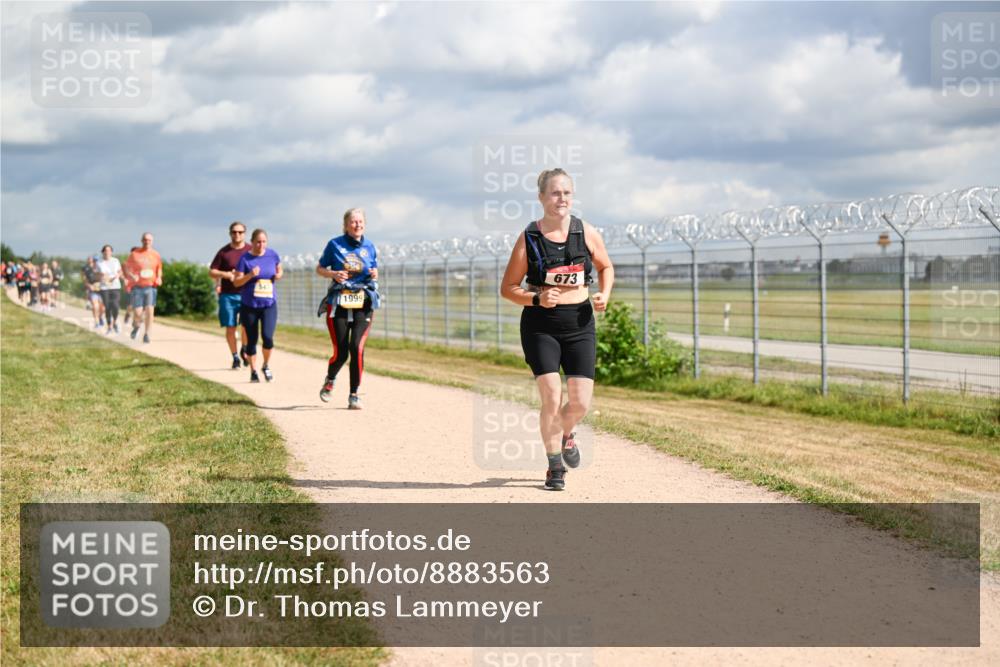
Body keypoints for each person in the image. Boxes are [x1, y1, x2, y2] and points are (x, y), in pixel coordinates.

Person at [500, 168, 614, 491]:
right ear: (541, 198)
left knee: (580, 403)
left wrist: (604, 293)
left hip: (579, 322)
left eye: (566, 192)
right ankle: (554, 468)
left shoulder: (585, 232)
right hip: (541, 326)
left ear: (572, 196)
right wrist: (537, 298)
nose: (560, 198)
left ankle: (566, 434)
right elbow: (507, 288)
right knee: (552, 397)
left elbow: (606, 266)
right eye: (554, 193)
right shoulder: (530, 238)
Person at [315, 208, 380, 409]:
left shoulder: (370, 246)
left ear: (364, 224)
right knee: (342, 352)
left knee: (357, 348)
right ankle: (330, 379)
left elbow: (374, 269)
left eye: (360, 221)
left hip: (363, 302)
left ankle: (354, 394)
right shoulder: (334, 245)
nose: (357, 224)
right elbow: (319, 269)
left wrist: (375, 273)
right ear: (345, 225)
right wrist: (333, 274)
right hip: (339, 303)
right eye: (353, 222)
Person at [232, 229, 282, 383]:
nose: (261, 245)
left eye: (264, 242)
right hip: (250, 305)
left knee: (268, 337)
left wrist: (278, 275)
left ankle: (265, 366)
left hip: (268, 304)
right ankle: (253, 371)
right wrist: (250, 275)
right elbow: (236, 282)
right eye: (258, 242)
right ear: (252, 242)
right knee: (252, 340)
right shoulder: (245, 259)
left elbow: (279, 270)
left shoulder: (272, 255)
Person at [209, 221, 252, 369]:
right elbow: (212, 271)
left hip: (247, 294)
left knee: (247, 326)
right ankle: (235, 357)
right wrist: (226, 274)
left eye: (240, 232)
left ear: (245, 234)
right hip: (228, 295)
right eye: (234, 232)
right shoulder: (224, 252)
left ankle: (244, 348)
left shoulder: (251, 251)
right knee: (230, 327)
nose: (237, 235)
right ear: (230, 233)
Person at [125, 233, 163, 343]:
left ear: (152, 241)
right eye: (145, 240)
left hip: (151, 286)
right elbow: (127, 268)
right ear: (142, 240)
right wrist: (132, 276)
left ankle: (147, 334)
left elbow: (159, 268)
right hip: (137, 287)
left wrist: (159, 277)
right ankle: (136, 326)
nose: (147, 242)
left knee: (150, 311)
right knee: (137, 312)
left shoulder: (156, 254)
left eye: (149, 240)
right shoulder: (135, 254)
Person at [96, 245, 124, 334]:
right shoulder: (99, 262)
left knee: (115, 306)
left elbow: (120, 271)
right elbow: (96, 274)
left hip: (115, 286)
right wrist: (101, 276)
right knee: (107, 307)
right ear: (103, 252)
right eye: (105, 250)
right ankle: (109, 326)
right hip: (104, 287)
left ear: (111, 252)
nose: (107, 252)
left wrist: (118, 276)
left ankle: (115, 322)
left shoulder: (116, 261)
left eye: (109, 250)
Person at [82, 255, 105, 329]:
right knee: (95, 306)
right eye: (95, 261)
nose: (96, 263)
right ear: (93, 262)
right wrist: (90, 286)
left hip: (102, 291)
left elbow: (106, 279)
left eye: (98, 261)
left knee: (103, 308)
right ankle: (97, 322)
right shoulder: (88, 271)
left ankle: (100, 317)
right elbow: (85, 281)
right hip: (93, 291)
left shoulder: (102, 270)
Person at [122, 246, 139, 328]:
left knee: (138, 305)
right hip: (130, 286)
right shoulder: (126, 263)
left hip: (139, 287)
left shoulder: (141, 263)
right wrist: (125, 280)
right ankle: (128, 314)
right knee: (131, 305)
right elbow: (124, 273)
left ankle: (135, 321)